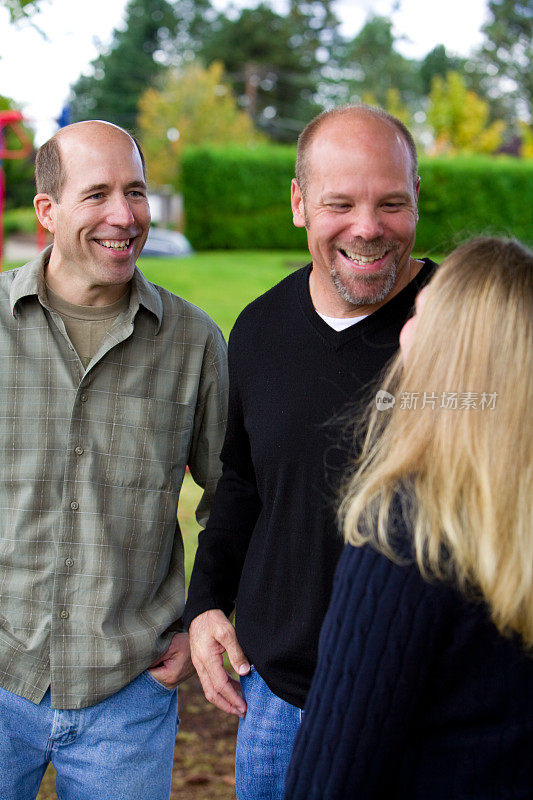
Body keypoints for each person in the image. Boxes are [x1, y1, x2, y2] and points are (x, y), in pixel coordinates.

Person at [183, 104, 437, 799]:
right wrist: (205, 602)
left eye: (391, 202)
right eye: (339, 203)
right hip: (280, 705)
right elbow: (240, 484)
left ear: (417, 196)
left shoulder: (461, 329)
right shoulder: (260, 328)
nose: (367, 227)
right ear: (298, 203)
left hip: (431, 712)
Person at [0, 120, 228, 800]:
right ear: (47, 211)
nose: (125, 216)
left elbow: (233, 497)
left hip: (126, 694)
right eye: (97, 194)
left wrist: (204, 615)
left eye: (136, 192)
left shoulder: (193, 343)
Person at [284, 236, 533, 799]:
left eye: (422, 312)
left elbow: (331, 775)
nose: (404, 329)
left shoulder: (406, 531)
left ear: (453, 350)